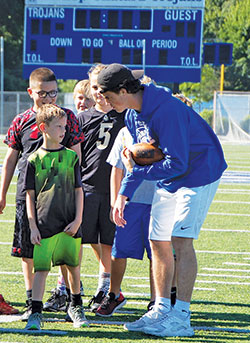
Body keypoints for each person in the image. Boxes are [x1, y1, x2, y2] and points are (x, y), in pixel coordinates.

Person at [97, 63, 227, 337]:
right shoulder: (132, 114)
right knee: (158, 240)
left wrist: (137, 173)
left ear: (123, 90)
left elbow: (177, 163)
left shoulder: (166, 109)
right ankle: (160, 308)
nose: (106, 103)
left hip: (200, 171)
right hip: (172, 174)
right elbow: (133, 161)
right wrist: (123, 194)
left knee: (180, 241)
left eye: (109, 97)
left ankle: (181, 316)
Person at [0, 67, 84, 320]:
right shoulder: (21, 120)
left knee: (66, 253)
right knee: (28, 251)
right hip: (28, 196)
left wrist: (73, 198)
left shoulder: (66, 117)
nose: (48, 98)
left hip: (61, 199)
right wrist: (2, 193)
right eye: (42, 93)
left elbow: (76, 158)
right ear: (30, 92)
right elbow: (11, 159)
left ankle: (71, 301)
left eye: (53, 93)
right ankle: (31, 302)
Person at [24, 104, 88, 330]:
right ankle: (35, 313)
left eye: (65, 126)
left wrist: (79, 219)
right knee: (41, 270)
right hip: (44, 224)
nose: (64, 130)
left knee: (72, 266)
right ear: (44, 128)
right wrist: (32, 226)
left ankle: (76, 307)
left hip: (69, 221)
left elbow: (79, 190)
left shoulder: (71, 157)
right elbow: (30, 197)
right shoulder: (34, 160)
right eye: (59, 126)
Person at [95, 126, 156, 317]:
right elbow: (116, 169)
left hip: (160, 201)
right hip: (131, 201)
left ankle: (156, 301)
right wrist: (116, 201)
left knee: (157, 253)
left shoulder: (166, 127)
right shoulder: (125, 132)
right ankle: (114, 294)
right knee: (119, 251)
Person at [78, 64, 125, 312]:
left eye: (102, 87)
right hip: (86, 187)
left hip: (112, 191)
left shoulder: (124, 115)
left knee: (109, 242)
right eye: (94, 87)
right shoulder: (82, 118)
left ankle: (104, 287)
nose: (98, 92)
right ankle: (67, 287)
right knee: (78, 240)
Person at [44, 79, 95, 310]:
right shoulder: (64, 117)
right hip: (58, 188)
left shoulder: (77, 120)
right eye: (78, 97)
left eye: (86, 97)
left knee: (76, 242)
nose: (81, 102)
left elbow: (77, 157)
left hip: (83, 185)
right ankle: (63, 288)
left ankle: (74, 290)